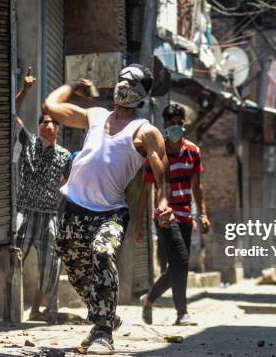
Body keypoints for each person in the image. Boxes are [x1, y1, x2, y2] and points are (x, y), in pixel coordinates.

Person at [42, 64, 173, 354]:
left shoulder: (146, 132)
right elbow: (51, 105)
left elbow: (162, 176)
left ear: (141, 93)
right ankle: (106, 315)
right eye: (121, 79)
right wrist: (74, 85)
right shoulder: (95, 115)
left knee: (102, 253)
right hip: (73, 207)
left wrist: (163, 205)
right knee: (77, 272)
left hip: (111, 212)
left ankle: (102, 333)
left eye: (131, 82)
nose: (123, 85)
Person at [135, 103, 211, 326]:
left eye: (179, 123)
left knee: (178, 264)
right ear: (165, 126)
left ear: (184, 124)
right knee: (182, 262)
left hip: (186, 214)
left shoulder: (193, 152)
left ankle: (148, 299)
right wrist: (138, 223)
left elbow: (197, 187)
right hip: (164, 215)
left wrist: (202, 214)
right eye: (171, 124)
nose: (176, 127)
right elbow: (145, 190)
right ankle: (182, 312)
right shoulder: (156, 154)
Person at [13, 71, 71, 322]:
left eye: (52, 122)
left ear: (57, 127)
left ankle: (37, 309)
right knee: (14, 257)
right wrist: (25, 90)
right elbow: (11, 114)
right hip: (24, 211)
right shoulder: (28, 143)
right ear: (39, 126)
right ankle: (11, 307)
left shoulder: (65, 155)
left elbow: (68, 184)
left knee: (51, 265)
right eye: (44, 122)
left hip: (49, 215)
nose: (48, 125)